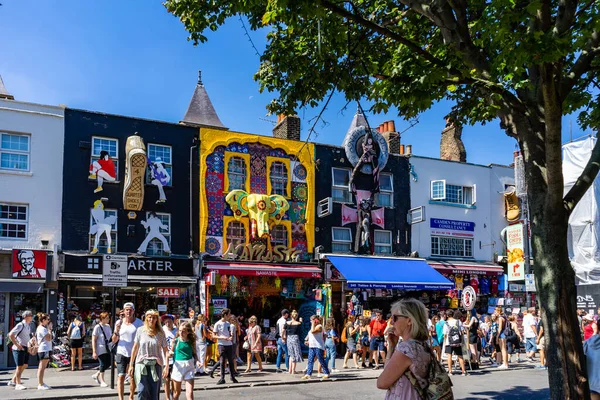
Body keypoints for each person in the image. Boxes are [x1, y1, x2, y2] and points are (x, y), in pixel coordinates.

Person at [376, 298, 435, 399]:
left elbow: (382, 383)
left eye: (394, 318)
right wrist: (392, 347)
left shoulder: (406, 349)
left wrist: (392, 349)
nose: (392, 323)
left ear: (409, 320)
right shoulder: (422, 345)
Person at [128, 310, 169, 400]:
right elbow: (135, 348)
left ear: (156, 320)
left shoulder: (160, 333)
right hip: (141, 364)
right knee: (142, 391)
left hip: (156, 365)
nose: (151, 319)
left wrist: (166, 366)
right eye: (149, 317)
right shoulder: (140, 330)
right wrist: (131, 364)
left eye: (154, 317)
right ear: (146, 318)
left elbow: (166, 350)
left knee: (154, 393)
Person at [112, 302, 143, 400]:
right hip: (121, 352)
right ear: (124, 311)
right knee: (121, 376)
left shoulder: (139, 323)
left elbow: (142, 339)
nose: (128, 311)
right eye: (126, 309)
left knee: (132, 377)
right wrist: (117, 330)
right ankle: (121, 398)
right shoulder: (119, 323)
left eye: (130, 309)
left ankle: (131, 396)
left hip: (134, 353)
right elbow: (113, 340)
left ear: (133, 311)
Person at [170, 321, 197, 400]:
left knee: (190, 393)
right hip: (178, 367)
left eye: (183, 331)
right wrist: (169, 354)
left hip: (189, 366)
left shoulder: (191, 341)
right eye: (180, 330)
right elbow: (171, 352)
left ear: (188, 332)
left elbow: (194, 353)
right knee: (177, 393)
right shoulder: (176, 341)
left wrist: (198, 361)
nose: (181, 333)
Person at [211, 308, 238, 384]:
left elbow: (230, 333)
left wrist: (231, 337)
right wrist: (222, 337)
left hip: (229, 344)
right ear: (225, 315)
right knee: (222, 361)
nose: (230, 316)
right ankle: (222, 378)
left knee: (231, 361)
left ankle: (232, 377)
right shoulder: (218, 324)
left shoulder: (228, 324)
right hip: (221, 344)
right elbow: (213, 335)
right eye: (229, 314)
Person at [8, 310, 33, 390]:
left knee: (25, 365)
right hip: (19, 348)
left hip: (25, 347)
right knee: (19, 366)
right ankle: (18, 384)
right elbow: (11, 334)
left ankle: (13, 380)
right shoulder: (20, 325)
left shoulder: (28, 325)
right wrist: (17, 345)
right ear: (26, 317)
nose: (32, 317)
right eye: (30, 315)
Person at [301, 315, 330, 380]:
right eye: (311, 320)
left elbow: (313, 331)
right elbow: (309, 334)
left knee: (321, 360)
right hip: (311, 346)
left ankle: (327, 373)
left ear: (316, 320)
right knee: (310, 360)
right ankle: (308, 374)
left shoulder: (319, 327)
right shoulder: (312, 326)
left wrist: (313, 324)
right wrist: (307, 340)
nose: (311, 322)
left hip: (318, 346)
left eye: (312, 320)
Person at [91, 312, 112, 387]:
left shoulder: (108, 326)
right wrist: (94, 351)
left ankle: (96, 374)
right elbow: (94, 339)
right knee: (102, 364)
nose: (108, 319)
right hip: (100, 348)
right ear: (102, 319)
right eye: (107, 318)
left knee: (109, 363)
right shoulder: (97, 327)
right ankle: (102, 380)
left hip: (108, 348)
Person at [443, 310, 467, 376]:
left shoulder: (446, 323)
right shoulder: (458, 321)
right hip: (457, 341)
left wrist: (445, 342)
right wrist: (461, 339)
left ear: (447, 315)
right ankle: (463, 371)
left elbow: (445, 334)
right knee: (460, 356)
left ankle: (450, 371)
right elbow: (462, 331)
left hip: (449, 341)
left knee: (449, 356)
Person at [162, 314, 177, 400]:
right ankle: (167, 397)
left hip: (175, 358)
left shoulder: (177, 331)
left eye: (169, 321)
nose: (167, 323)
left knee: (174, 379)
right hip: (165, 358)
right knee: (166, 379)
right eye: (166, 321)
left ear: (172, 321)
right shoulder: (162, 330)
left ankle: (173, 394)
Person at [36, 313, 53, 390]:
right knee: (41, 367)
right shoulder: (42, 329)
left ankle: (41, 383)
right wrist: (50, 329)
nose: (49, 321)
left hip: (45, 349)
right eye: (47, 319)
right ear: (43, 320)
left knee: (43, 367)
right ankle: (40, 384)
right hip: (44, 349)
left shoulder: (42, 328)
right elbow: (49, 338)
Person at [283, 310, 303, 374]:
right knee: (295, 353)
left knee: (291, 354)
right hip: (295, 338)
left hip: (289, 338)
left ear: (291, 316)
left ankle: (290, 370)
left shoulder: (287, 323)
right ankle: (293, 370)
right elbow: (301, 329)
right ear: (296, 316)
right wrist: (301, 321)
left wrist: (283, 338)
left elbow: (283, 331)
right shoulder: (298, 323)